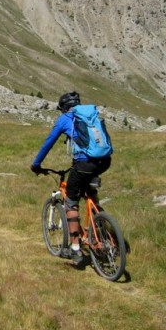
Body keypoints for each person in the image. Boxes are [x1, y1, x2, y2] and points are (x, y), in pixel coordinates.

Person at [30, 91, 111, 265]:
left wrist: (36, 165)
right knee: (89, 190)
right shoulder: (90, 115)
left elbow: (48, 143)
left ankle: (75, 249)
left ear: (64, 108)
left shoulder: (65, 118)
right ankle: (98, 225)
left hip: (83, 164)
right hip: (104, 161)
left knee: (71, 200)